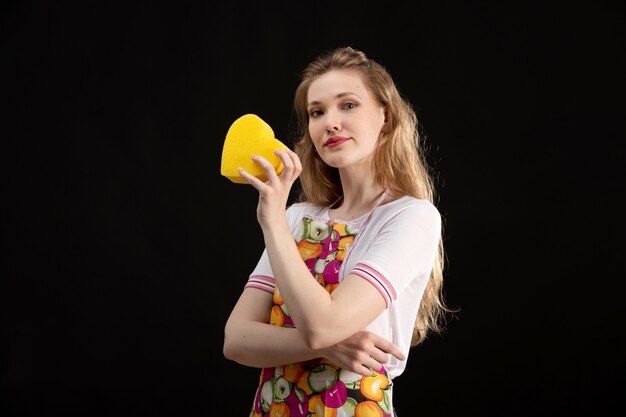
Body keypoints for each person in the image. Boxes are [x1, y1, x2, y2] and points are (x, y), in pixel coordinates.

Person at [223, 46, 453, 417]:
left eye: (348, 105)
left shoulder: (411, 218)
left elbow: (323, 325)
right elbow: (236, 339)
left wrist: (271, 222)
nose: (330, 122)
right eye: (317, 112)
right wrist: (330, 346)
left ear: (386, 116)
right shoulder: (296, 218)